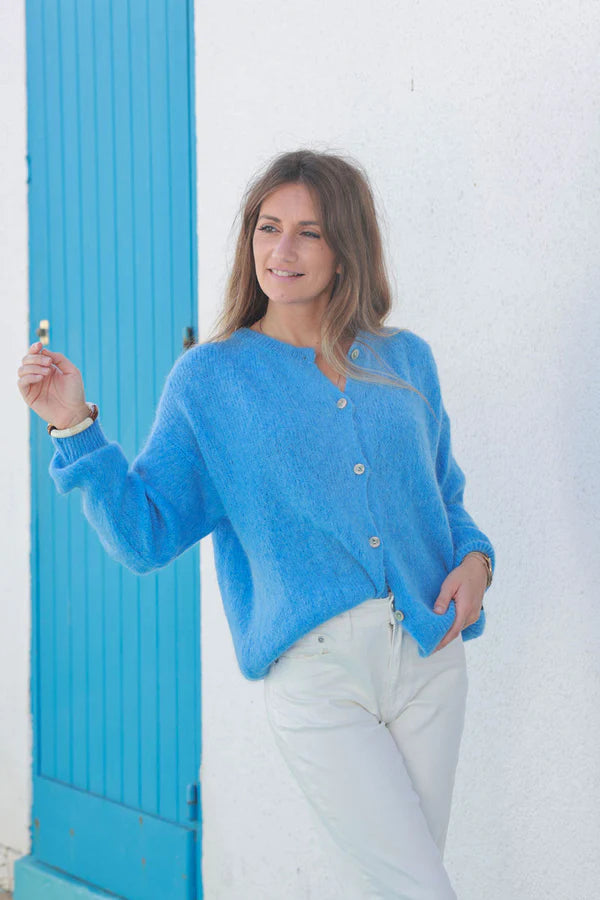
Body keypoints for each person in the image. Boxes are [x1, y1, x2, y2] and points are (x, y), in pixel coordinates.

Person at [17, 148, 495, 899]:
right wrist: (74, 427)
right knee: (419, 889)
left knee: (395, 886)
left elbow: (446, 495)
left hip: (431, 658)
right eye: (268, 227)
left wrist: (477, 562)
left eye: (309, 232)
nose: (282, 250)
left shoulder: (405, 360)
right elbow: (145, 535)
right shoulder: (212, 379)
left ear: (346, 249)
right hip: (320, 673)